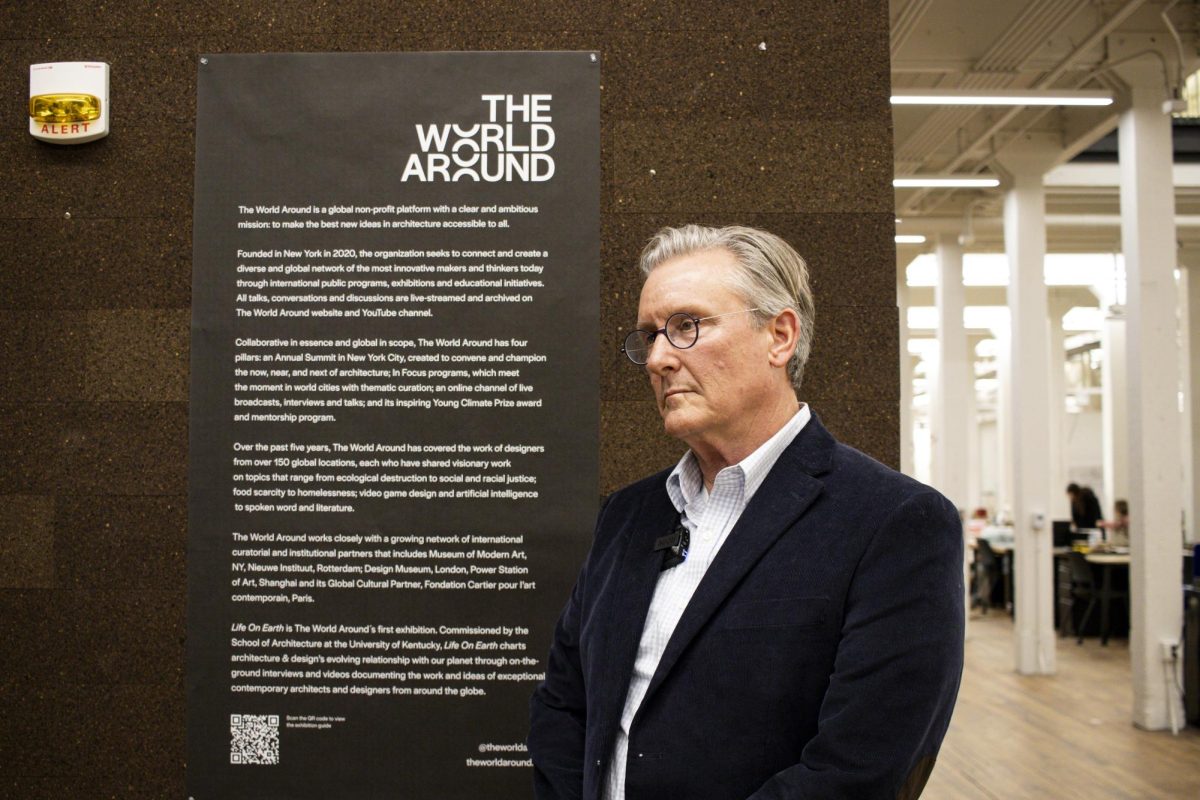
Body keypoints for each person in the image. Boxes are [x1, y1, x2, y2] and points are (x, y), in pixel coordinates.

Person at [529, 225, 965, 800]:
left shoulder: (895, 522)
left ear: (779, 336)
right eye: (649, 336)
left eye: (687, 326)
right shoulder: (630, 514)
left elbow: (861, 767)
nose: (658, 359)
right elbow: (565, 701)